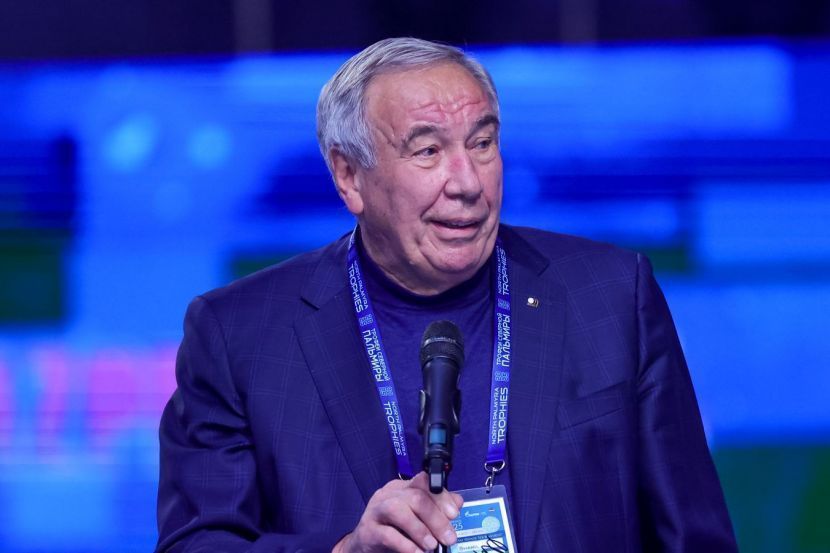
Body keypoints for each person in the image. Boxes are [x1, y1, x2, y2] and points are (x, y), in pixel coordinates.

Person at [156, 37, 737, 552]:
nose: (467, 182)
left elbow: (693, 537)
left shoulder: (610, 296)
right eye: (428, 151)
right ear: (349, 177)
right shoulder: (240, 335)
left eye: (482, 143)